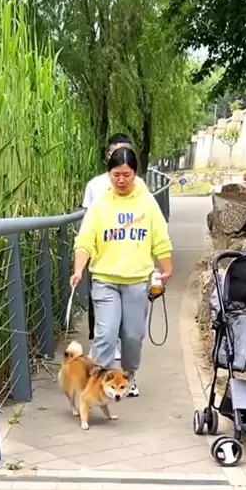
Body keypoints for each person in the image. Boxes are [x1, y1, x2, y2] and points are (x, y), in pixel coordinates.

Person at [71, 146, 172, 397]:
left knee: (132, 337)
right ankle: (98, 384)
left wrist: (167, 267)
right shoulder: (101, 204)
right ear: (109, 174)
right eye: (116, 175)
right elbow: (85, 240)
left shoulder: (146, 202)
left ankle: (128, 376)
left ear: (135, 174)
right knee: (105, 334)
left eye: (127, 174)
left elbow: (160, 237)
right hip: (105, 279)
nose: (121, 180)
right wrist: (78, 269)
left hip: (137, 281)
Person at [82, 134, 150, 361]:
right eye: (116, 152)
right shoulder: (95, 185)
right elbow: (87, 219)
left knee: (130, 320)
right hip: (103, 257)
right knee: (101, 308)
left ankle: (119, 349)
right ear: (108, 156)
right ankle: (100, 343)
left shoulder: (139, 187)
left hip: (131, 260)